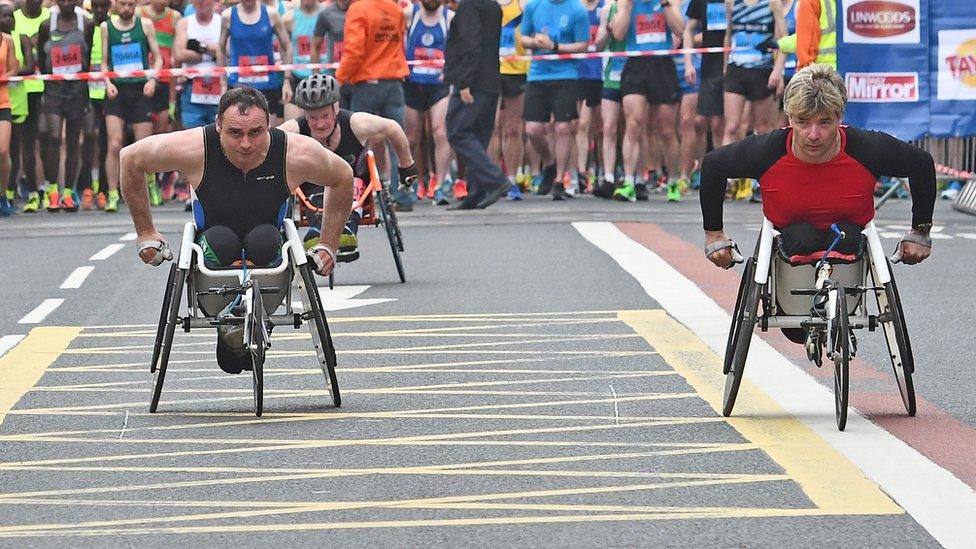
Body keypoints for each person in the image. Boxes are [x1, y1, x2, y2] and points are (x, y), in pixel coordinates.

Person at [121, 87, 352, 373]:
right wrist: (145, 233)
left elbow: (343, 176)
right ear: (218, 125)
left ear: (269, 124)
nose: (245, 143)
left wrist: (328, 244)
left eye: (255, 132)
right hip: (214, 245)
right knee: (222, 241)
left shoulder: (294, 152)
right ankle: (228, 321)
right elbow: (130, 158)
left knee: (265, 240)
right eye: (234, 133)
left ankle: (256, 316)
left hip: (267, 245)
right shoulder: (195, 147)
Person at [699, 64, 935, 274]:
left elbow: (921, 163)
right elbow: (713, 166)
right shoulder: (767, 150)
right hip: (789, 241)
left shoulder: (867, 148)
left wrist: (920, 231)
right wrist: (714, 234)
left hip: (849, 240)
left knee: (846, 236)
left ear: (839, 117)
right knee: (801, 237)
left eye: (824, 122)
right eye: (803, 122)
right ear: (789, 118)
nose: (813, 135)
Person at [279, 74, 418, 258]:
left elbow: (392, 128)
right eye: (313, 117)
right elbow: (266, 144)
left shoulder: (356, 124)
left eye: (325, 116)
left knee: (350, 181)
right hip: (312, 186)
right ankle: (317, 227)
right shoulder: (293, 130)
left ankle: (346, 228)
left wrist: (406, 166)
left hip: (354, 183)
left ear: (336, 108)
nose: (320, 124)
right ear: (304, 113)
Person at [336, 0, 411, 210]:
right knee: (397, 139)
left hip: (367, 84)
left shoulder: (359, 9)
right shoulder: (396, 10)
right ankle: (404, 195)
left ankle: (357, 195)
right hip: (394, 82)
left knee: (357, 140)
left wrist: (338, 80)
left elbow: (355, 51)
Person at [611, 0, 684, 202]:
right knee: (633, 123)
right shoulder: (627, 3)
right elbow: (617, 34)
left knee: (667, 129)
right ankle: (629, 181)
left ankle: (674, 181)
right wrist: (626, 7)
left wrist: (666, 5)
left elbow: (680, 29)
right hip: (636, 63)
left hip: (662, 63)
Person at [519, 0, 589, 200]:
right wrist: (535, 42)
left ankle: (559, 180)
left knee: (562, 127)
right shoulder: (534, 6)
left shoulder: (577, 9)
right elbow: (523, 38)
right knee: (532, 129)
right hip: (538, 74)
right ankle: (550, 163)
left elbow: (583, 45)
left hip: (566, 74)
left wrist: (555, 46)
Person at [443, 0, 509, 210]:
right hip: (491, 80)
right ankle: (477, 190)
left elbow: (470, 45)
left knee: (457, 131)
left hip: (473, 82)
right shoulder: (493, 6)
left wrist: (464, 82)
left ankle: (495, 179)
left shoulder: (470, 5)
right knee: (478, 135)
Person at [101, 0, 164, 213]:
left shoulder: (145, 25)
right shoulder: (106, 27)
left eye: (130, 4)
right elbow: (103, 62)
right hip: (116, 92)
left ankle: (151, 184)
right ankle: (112, 192)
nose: (126, 8)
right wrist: (107, 83)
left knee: (144, 146)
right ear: (115, 5)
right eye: (122, 4)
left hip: (140, 91)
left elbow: (158, 58)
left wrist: (152, 79)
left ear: (135, 5)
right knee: (115, 143)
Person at [35, 0, 97, 212]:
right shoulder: (46, 25)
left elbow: (87, 56)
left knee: (73, 141)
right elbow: (41, 56)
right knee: (53, 137)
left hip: (78, 90)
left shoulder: (87, 24)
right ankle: (53, 190)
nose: (67, 3)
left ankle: (69, 193)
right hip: (54, 90)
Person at [402, 0, 452, 204]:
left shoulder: (449, 18)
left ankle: (441, 184)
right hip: (413, 84)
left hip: (438, 85)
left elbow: (458, 47)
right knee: (412, 138)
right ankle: (414, 184)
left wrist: (449, 72)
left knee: (440, 131)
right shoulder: (408, 14)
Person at [218, 0, 293, 125]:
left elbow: (288, 47)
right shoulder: (228, 16)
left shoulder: (271, 14)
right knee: (239, 130)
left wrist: (287, 79)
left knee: (269, 133)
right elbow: (220, 49)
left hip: (267, 84)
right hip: (238, 84)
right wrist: (222, 83)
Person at [13, 0, 48, 214]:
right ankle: (31, 191)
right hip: (22, 89)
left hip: (47, 86)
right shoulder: (14, 17)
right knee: (25, 143)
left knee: (49, 138)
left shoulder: (49, 16)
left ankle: (49, 188)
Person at [1, 0, 34, 215]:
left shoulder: (8, 41)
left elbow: (14, 68)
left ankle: (3, 194)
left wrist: (4, 77)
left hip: (3, 100)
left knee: (3, 150)